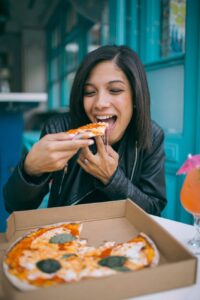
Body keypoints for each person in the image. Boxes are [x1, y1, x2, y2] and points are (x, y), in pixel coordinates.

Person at [3, 45, 167, 216]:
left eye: (115, 90)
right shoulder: (59, 129)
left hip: (127, 240)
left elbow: (153, 211)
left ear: (135, 95)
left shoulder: (152, 136)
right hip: (63, 237)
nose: (100, 103)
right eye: (89, 92)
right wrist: (30, 170)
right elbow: (14, 207)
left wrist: (113, 179)